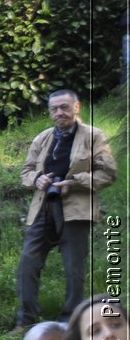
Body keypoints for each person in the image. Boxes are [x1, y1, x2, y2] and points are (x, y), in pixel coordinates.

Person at [16, 90, 119, 327]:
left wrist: (74, 182)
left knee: (74, 269)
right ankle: (25, 320)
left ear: (76, 107)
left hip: (76, 210)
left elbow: (108, 173)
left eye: (64, 107)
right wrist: (37, 180)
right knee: (28, 262)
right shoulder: (42, 138)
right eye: (54, 109)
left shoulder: (94, 136)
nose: (59, 113)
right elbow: (26, 171)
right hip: (43, 207)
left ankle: (71, 321)